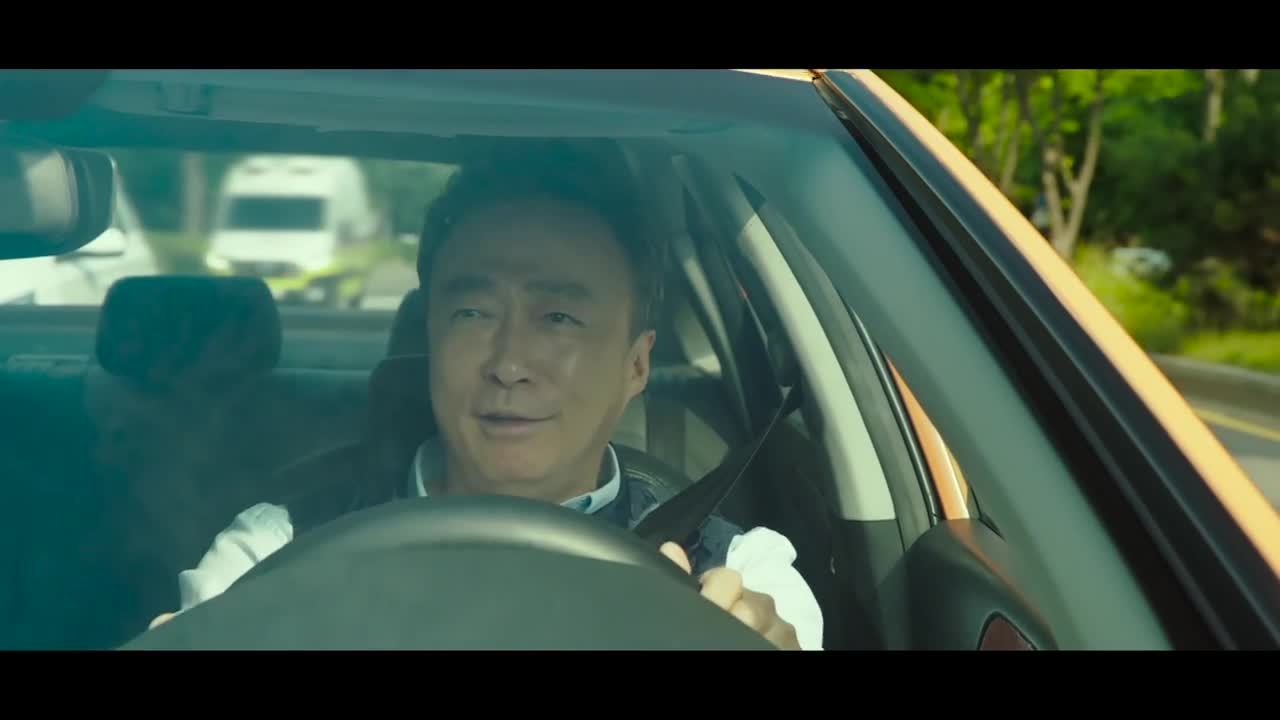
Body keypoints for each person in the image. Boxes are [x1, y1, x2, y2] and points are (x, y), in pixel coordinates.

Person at [149, 143, 824, 650]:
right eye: (473, 313)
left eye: (559, 317)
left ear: (636, 363)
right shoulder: (275, 550)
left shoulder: (739, 577)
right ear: (431, 337)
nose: (509, 364)